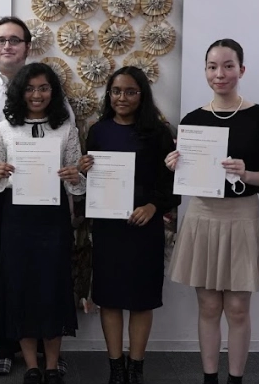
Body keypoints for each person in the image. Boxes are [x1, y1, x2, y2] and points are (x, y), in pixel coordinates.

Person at [165, 39, 259, 384]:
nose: (220, 74)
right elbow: (188, 175)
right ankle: (209, 378)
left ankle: (235, 379)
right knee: (207, 306)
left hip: (241, 217)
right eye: (212, 66)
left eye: (228, 66)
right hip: (202, 216)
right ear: (205, 71)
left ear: (241, 70)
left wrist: (246, 174)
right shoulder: (193, 120)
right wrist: (174, 165)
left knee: (237, 309)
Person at [0, 16, 73, 377]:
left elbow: (68, 144)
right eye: (0, 40)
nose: (7, 46)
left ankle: (45, 351)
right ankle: (4, 347)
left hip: (45, 196)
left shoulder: (53, 95)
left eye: (14, 40)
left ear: (27, 46)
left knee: (43, 272)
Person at [0, 62, 84, 384]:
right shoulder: (4, 129)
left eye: (43, 88)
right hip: (17, 217)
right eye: (29, 88)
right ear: (19, 92)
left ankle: (51, 365)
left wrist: (75, 176)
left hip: (53, 218)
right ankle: (31, 366)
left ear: (53, 92)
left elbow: (78, 183)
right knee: (20, 287)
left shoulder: (65, 128)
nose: (36, 95)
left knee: (53, 286)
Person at [77, 66, 179, 384]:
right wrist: (83, 169)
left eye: (130, 92)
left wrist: (153, 207)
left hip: (144, 228)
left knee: (141, 300)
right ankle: (116, 368)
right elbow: (90, 183)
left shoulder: (159, 133)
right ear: (109, 94)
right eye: (116, 91)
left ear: (142, 95)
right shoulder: (98, 131)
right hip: (109, 229)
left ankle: (136, 367)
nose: (122, 97)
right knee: (109, 299)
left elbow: (172, 183)